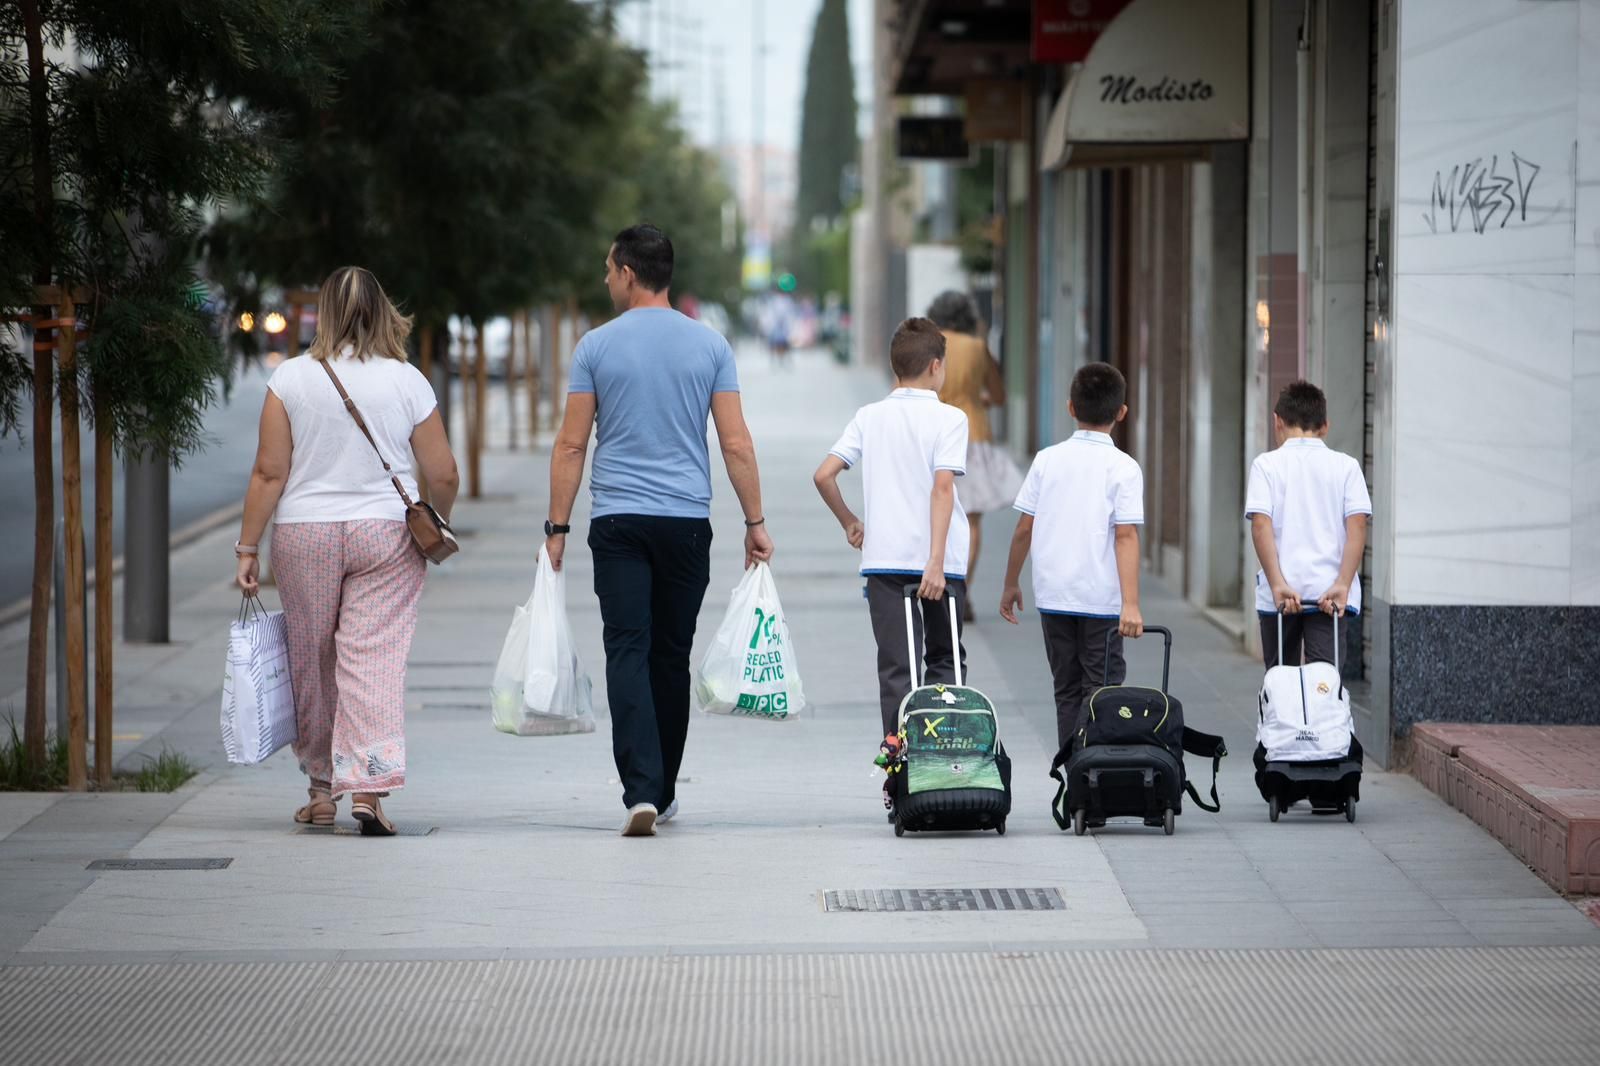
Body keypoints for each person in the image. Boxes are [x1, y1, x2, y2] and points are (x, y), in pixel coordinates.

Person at [546, 223, 774, 838]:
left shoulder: (594, 346)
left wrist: (557, 526)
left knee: (627, 649)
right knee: (670, 656)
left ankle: (641, 790)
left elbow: (571, 446)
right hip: (684, 524)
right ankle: (664, 789)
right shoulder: (711, 347)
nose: (605, 278)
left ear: (626, 271)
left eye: (607, 268)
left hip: (618, 521)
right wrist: (754, 522)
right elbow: (735, 443)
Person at [235, 266, 458, 836]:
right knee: (372, 657)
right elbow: (443, 472)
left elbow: (268, 473)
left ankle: (319, 790)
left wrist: (247, 547)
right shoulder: (407, 380)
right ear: (384, 311)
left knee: (312, 659)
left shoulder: (290, 379)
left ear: (323, 314)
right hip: (384, 533)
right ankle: (368, 787)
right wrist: (440, 519)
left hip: (305, 532)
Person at [813, 317, 971, 741]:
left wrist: (850, 522)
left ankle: (900, 776)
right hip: (942, 564)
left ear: (894, 365)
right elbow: (942, 490)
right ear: (936, 366)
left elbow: (824, 475)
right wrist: (934, 564)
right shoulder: (950, 418)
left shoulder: (870, 416)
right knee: (946, 663)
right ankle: (949, 762)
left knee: (898, 671)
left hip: (884, 562)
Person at [998, 363, 1144, 756]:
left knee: (1066, 690)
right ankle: (1097, 776)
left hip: (1054, 596)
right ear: (1122, 412)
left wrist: (1011, 583)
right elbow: (1126, 536)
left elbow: (1023, 530)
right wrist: (1130, 604)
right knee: (1101, 690)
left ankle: (1073, 779)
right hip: (1101, 601)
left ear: (1069, 407)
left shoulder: (1046, 460)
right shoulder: (1124, 468)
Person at [1246, 380, 1372, 669]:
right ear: (1325, 425)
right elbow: (1358, 527)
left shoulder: (1266, 465)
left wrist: (1278, 584)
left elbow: (1260, 526)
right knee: (1325, 688)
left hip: (1279, 596)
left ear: (1277, 422)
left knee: (1281, 686)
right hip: (1329, 596)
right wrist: (1342, 583)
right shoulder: (1347, 466)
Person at [928, 290, 1022, 622]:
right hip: (973, 436)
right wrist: (976, 396)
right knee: (971, 520)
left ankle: (935, 582)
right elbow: (998, 395)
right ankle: (961, 591)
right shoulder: (977, 348)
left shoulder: (930, 345)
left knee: (936, 511)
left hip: (934, 435)